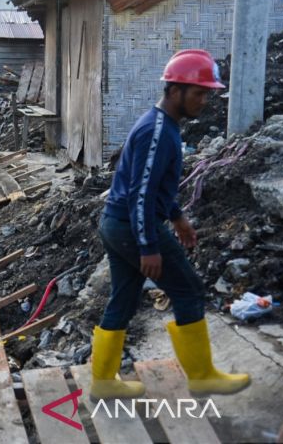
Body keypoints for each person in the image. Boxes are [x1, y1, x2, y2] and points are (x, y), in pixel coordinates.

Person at [89, 50, 250, 400]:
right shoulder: (158, 131)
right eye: (199, 93)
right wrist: (148, 246)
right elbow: (141, 194)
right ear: (175, 91)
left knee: (125, 296)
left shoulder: (163, 126)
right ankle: (203, 375)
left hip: (118, 224)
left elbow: (155, 186)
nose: (205, 101)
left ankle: (103, 381)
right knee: (189, 290)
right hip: (131, 226)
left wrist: (177, 218)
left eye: (207, 93)